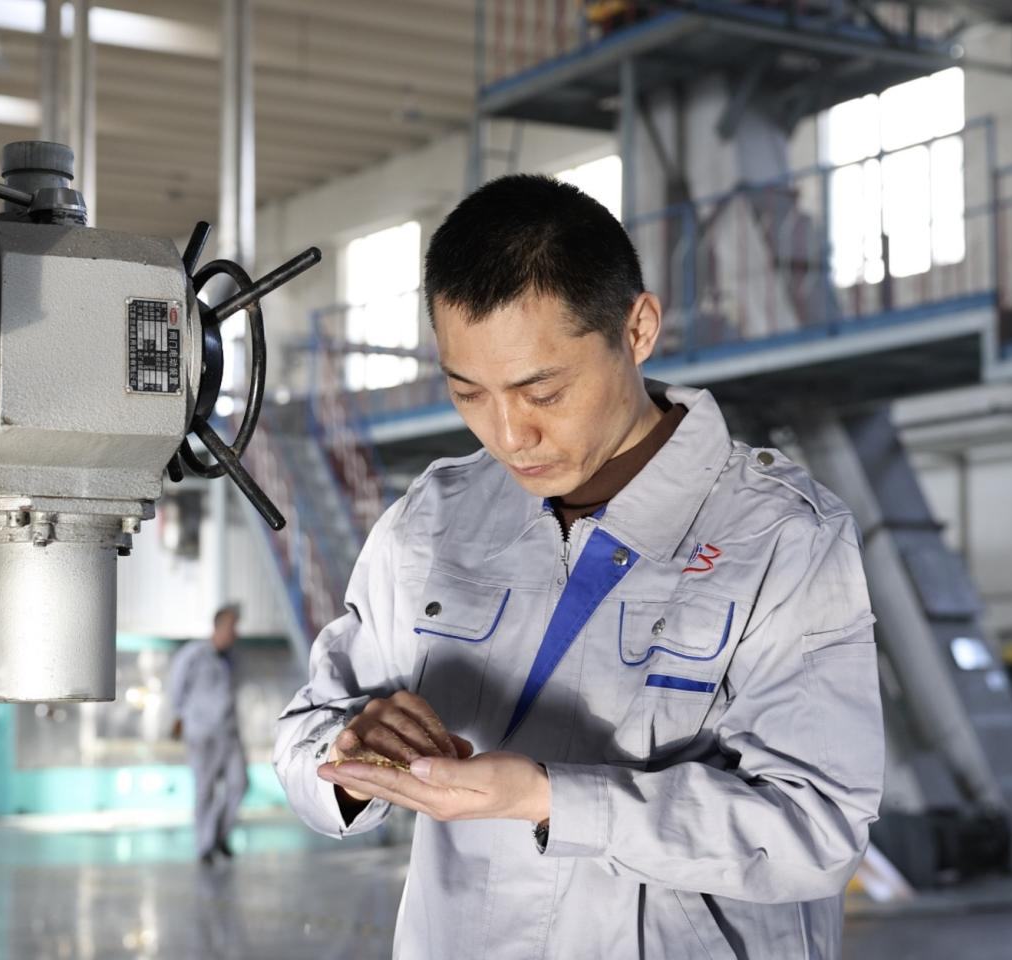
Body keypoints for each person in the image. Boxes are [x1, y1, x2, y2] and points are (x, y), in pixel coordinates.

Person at [274, 175, 884, 959]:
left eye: (542, 391)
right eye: (468, 393)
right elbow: (304, 738)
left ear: (637, 328)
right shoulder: (433, 520)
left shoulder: (778, 535)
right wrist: (350, 754)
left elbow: (814, 829)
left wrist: (549, 798)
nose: (508, 435)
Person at [168, 605, 249, 865]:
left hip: (229, 731)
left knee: (239, 783)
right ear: (218, 626)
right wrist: (178, 716)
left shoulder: (233, 659)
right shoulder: (194, 654)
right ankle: (204, 846)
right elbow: (176, 685)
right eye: (232, 627)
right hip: (202, 733)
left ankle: (220, 837)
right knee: (205, 789)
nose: (236, 633)